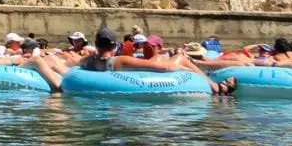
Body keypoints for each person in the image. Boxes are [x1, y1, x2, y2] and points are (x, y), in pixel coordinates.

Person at [78, 29, 238, 95]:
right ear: (114, 45)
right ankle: (216, 87)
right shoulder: (120, 61)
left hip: (101, 90)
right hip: (135, 91)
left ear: (96, 44)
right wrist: (183, 66)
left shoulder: (86, 61)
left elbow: (68, 66)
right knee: (180, 58)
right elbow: (163, 68)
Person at [0, 24, 68, 92]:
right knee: (36, 60)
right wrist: (12, 60)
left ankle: (74, 79)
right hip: (9, 70)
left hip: (14, 66)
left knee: (51, 59)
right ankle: (60, 89)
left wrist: (22, 57)